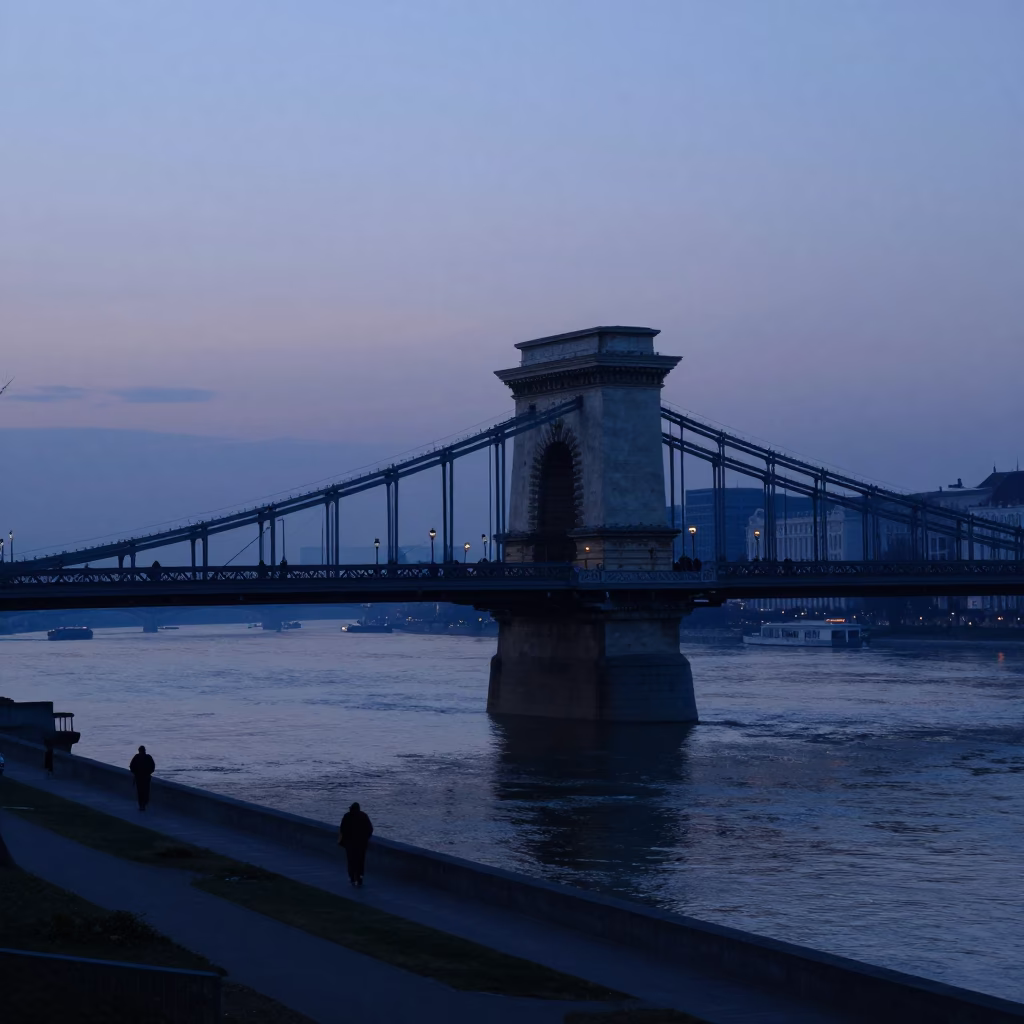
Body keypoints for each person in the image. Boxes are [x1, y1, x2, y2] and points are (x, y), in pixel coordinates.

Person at [338, 802, 373, 887]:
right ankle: (359, 878)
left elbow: (342, 829)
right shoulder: (363, 816)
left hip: (350, 843)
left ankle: (352, 878)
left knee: (351, 861)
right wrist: (365, 839)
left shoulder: (347, 816)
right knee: (360, 861)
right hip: (361, 844)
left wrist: (343, 840)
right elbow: (370, 829)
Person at [129, 745, 156, 811]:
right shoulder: (147, 757)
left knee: (141, 791)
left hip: (140, 777)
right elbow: (153, 766)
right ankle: (143, 804)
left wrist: (135, 773)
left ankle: (142, 805)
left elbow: (131, 766)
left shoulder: (137, 757)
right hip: (144, 777)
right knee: (145, 791)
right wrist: (149, 773)